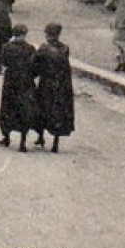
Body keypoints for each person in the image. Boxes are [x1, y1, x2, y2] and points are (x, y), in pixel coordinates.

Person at [0, 24, 43, 151]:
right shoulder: (30, 49)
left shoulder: (6, 47)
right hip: (26, 83)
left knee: (7, 108)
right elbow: (35, 67)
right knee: (24, 110)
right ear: (24, 34)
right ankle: (22, 142)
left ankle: (6, 136)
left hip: (10, 82)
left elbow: (4, 63)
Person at [33, 23, 76, 153]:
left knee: (41, 108)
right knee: (57, 112)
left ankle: (40, 136)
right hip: (61, 85)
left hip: (46, 84)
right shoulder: (65, 49)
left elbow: (36, 65)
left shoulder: (43, 49)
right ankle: (55, 142)